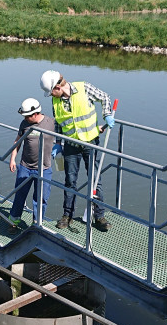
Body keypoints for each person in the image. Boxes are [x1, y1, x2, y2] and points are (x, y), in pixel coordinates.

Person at [40, 70, 115, 232]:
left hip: (90, 143)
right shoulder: (55, 100)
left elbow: (105, 97)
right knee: (70, 181)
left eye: (51, 91)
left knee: (95, 180)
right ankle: (67, 216)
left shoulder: (84, 88)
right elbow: (59, 123)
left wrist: (107, 114)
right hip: (70, 145)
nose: (51, 95)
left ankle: (99, 216)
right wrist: (58, 143)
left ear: (58, 86)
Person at [8, 98, 55, 234]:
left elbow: (66, 132)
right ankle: (14, 221)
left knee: (41, 198)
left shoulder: (51, 123)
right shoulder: (24, 124)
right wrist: (12, 159)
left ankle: (37, 223)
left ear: (35, 114)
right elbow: (17, 142)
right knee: (19, 195)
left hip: (44, 168)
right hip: (25, 167)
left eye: (27, 116)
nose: (25, 118)